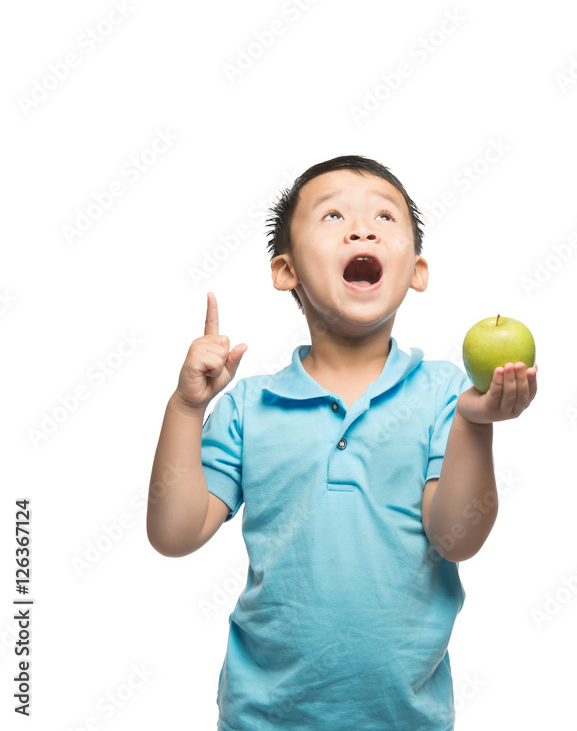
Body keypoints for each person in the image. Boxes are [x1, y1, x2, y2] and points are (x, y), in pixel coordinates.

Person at [146, 154, 538, 731]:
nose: (362, 229)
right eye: (332, 217)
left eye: (385, 216)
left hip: (407, 718)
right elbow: (174, 534)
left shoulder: (444, 394)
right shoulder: (249, 407)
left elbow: (457, 539)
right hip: (262, 717)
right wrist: (186, 407)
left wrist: (474, 425)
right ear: (286, 270)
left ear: (417, 270)